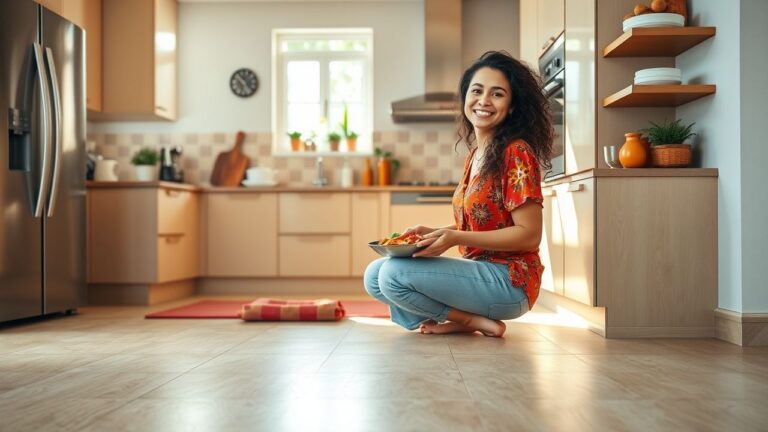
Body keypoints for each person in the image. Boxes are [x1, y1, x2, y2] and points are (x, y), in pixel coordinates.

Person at [363, 51, 554, 337]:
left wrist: (456, 238)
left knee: (393, 275)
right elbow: (484, 221)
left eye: (497, 94)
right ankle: (468, 318)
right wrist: (437, 232)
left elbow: (529, 234)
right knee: (374, 275)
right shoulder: (477, 154)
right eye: (476, 91)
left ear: (512, 106)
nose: (484, 100)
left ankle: (468, 321)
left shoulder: (515, 152)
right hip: (479, 271)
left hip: (511, 281)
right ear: (465, 97)